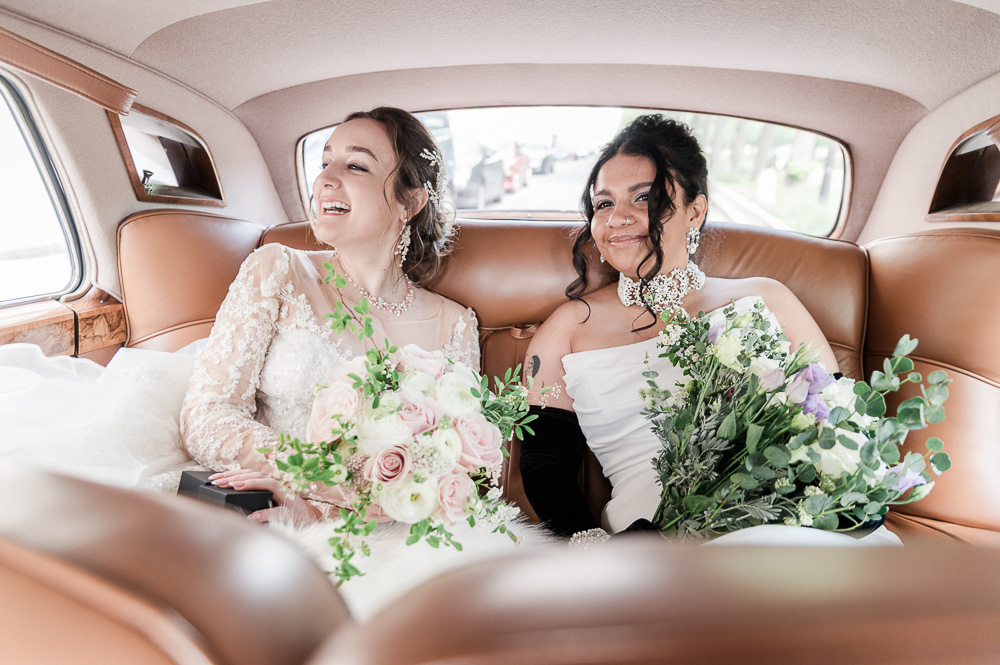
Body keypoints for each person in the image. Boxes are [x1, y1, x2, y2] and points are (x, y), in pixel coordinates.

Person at [518, 114, 899, 546]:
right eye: (603, 203)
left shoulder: (766, 299)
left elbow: (840, 418)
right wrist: (590, 547)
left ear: (694, 211)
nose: (616, 218)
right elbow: (544, 463)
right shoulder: (566, 329)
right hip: (655, 540)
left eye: (643, 198)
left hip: (798, 516)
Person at [179, 107, 480, 524]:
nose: (324, 180)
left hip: (394, 533)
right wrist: (310, 481)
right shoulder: (277, 269)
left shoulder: (456, 324)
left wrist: (328, 513)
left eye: (356, 165)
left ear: (409, 201)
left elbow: (452, 471)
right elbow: (206, 416)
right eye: (323, 163)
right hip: (268, 513)